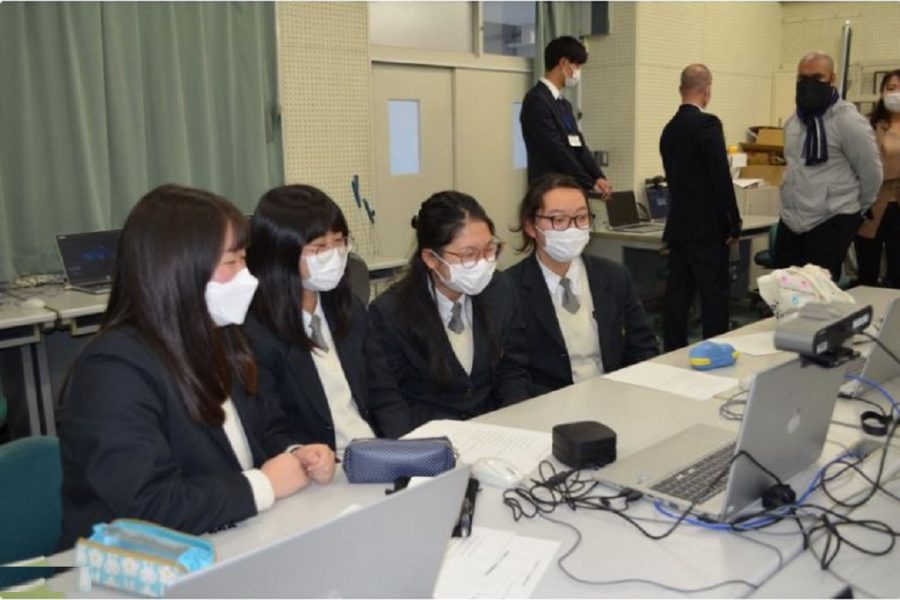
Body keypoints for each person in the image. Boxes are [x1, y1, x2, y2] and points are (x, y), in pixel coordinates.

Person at [58, 184, 335, 549]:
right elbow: (149, 506)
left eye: (245, 260)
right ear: (178, 269)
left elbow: (264, 428)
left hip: (228, 539)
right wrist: (263, 485)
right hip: (135, 563)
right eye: (231, 263)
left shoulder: (222, 337)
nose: (248, 277)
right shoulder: (112, 371)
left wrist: (296, 454)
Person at [366, 191, 532, 438]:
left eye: (489, 250)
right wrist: (418, 452)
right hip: (429, 437)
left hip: (494, 429)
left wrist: (513, 425)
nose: (483, 263)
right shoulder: (390, 313)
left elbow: (514, 369)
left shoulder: (501, 289)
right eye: (469, 254)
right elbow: (389, 401)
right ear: (431, 258)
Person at [244, 185, 376, 454]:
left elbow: (382, 390)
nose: (335, 255)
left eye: (339, 242)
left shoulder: (349, 307)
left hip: (375, 450)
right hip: (321, 464)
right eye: (319, 248)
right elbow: (268, 428)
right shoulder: (255, 331)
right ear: (281, 252)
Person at [506, 174, 659, 394]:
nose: (572, 229)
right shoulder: (509, 288)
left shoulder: (615, 276)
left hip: (614, 395)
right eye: (558, 220)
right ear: (530, 226)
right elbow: (512, 372)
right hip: (548, 402)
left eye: (581, 217)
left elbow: (643, 347)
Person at [775, 51, 883, 282]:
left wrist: (854, 213)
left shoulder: (848, 121)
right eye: (802, 78)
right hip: (792, 220)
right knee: (784, 288)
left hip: (831, 219)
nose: (808, 85)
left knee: (817, 293)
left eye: (817, 78)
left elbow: (872, 174)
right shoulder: (794, 122)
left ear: (832, 79)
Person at [659, 64, 742, 351]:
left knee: (678, 294)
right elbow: (720, 178)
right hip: (708, 228)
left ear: (680, 89)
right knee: (713, 295)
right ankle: (715, 349)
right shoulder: (708, 124)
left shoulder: (668, 130)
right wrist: (733, 222)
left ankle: (672, 351)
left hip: (679, 226)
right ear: (707, 90)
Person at [520, 35, 612, 197]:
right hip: (548, 191)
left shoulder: (564, 104)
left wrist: (598, 177)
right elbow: (556, 151)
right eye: (577, 65)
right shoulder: (537, 100)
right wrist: (589, 183)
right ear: (563, 63)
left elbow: (579, 146)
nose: (578, 72)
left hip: (568, 189)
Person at [854, 69, 900, 288]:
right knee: (867, 270)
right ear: (882, 93)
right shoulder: (869, 126)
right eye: (891, 88)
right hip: (871, 205)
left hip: (898, 206)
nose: (896, 94)